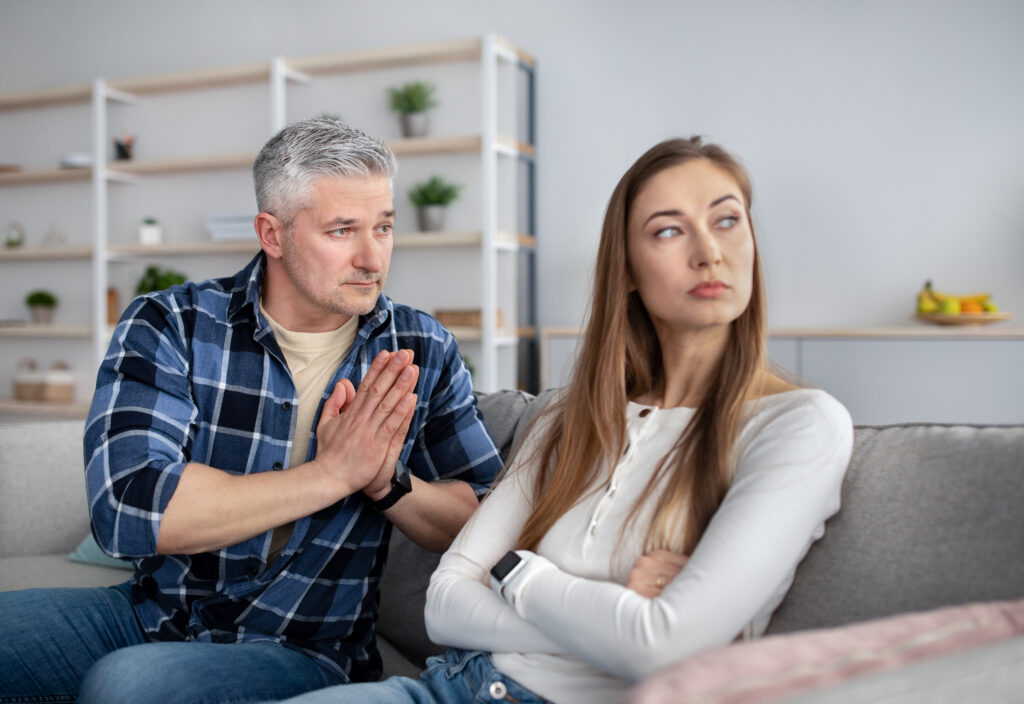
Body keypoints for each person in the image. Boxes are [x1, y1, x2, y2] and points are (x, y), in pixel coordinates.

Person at [267, 136, 855, 704]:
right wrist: (614, 617)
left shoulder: (801, 426)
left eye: (727, 220)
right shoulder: (565, 419)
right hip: (450, 688)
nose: (709, 251)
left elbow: (662, 646)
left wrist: (517, 576)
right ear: (625, 267)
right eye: (669, 230)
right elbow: (444, 602)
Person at [0, 118, 503, 704]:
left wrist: (387, 483)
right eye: (343, 231)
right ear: (272, 233)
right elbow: (128, 508)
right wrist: (330, 474)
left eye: (384, 227)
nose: (373, 257)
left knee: (129, 686)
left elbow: (486, 519)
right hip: (155, 612)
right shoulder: (173, 324)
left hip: (307, 649)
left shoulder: (421, 348)